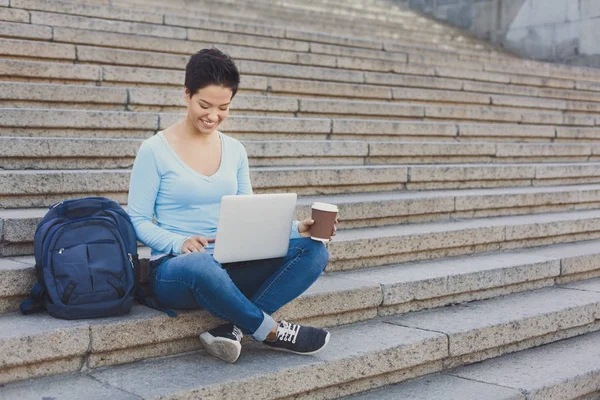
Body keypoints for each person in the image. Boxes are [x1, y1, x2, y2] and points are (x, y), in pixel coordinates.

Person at [127, 48, 337, 364]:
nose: (213, 116)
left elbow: (250, 217)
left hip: (230, 262)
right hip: (176, 270)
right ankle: (270, 331)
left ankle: (235, 327)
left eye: (223, 107)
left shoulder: (235, 150)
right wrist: (179, 242)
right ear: (186, 94)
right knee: (202, 265)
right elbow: (137, 219)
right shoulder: (154, 150)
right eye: (204, 105)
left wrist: (297, 229)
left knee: (315, 251)